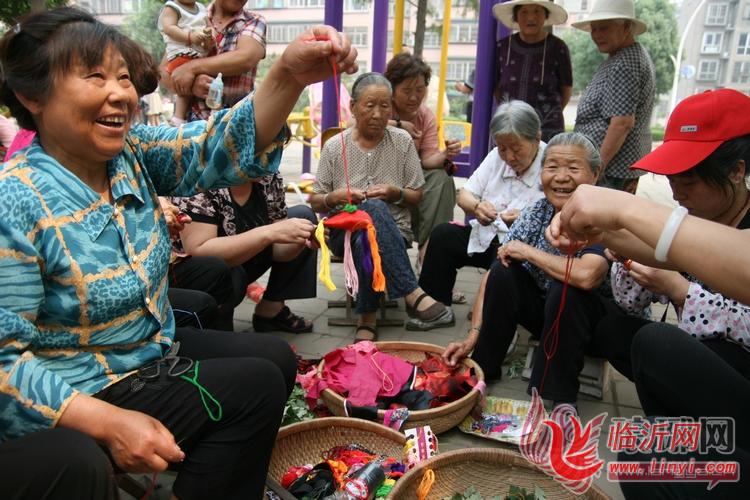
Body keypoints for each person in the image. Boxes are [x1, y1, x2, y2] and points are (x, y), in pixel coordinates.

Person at [0, 7, 357, 500]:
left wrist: (289, 75)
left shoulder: (129, 154)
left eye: (124, 77)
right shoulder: (15, 201)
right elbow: (5, 367)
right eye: (95, 77)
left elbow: (213, 144)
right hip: (78, 387)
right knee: (252, 388)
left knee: (274, 357)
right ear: (31, 95)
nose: (120, 94)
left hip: (144, 352)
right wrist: (108, 422)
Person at [549, 89, 750, 500]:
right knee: (643, 439)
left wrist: (679, 289)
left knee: (660, 346)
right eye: (671, 180)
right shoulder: (696, 220)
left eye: (688, 180)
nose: (677, 194)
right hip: (713, 370)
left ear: (736, 171)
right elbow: (647, 267)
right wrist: (602, 235)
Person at [443, 133, 611, 412]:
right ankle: (483, 370)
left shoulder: (604, 213)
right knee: (503, 271)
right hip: (549, 319)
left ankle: (561, 398)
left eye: (572, 168)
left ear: (595, 174)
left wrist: (529, 252)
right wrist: (472, 337)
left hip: (596, 326)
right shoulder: (538, 212)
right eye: (552, 167)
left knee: (566, 286)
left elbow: (587, 276)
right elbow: (496, 272)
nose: (561, 177)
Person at [311, 72, 454, 341]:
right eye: (370, 105)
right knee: (370, 213)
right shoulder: (334, 147)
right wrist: (336, 197)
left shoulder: (401, 141)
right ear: (353, 107)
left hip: (394, 230)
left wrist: (395, 192)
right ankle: (412, 293)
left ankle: (367, 319)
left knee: (370, 226)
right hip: (343, 232)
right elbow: (316, 200)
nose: (378, 114)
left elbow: (417, 195)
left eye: (385, 106)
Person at [417, 100, 545, 325]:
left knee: (507, 257)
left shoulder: (551, 161)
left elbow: (557, 211)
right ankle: (437, 310)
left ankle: (493, 317)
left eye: (516, 149)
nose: (509, 157)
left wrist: (526, 219)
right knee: (442, 236)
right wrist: (477, 207)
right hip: (487, 236)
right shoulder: (496, 157)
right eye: (503, 148)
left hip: (524, 250)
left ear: (536, 138)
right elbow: (465, 195)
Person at [172, 174, 318, 334]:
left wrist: (299, 241)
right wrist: (269, 233)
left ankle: (271, 310)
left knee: (303, 218)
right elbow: (199, 251)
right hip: (200, 275)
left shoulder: (268, 176)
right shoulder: (200, 178)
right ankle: (213, 331)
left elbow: (279, 251)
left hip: (246, 261)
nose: (269, 163)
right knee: (227, 272)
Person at [384, 52, 462, 267]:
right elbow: (356, 124)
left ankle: (429, 254)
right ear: (392, 89)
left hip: (409, 181)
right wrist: (398, 126)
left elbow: (427, 160)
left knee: (441, 178)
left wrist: (445, 155)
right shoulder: (382, 104)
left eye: (420, 90)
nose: (414, 97)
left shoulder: (425, 115)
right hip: (376, 178)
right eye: (407, 91)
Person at [572, 0, 655, 193]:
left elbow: (622, 123)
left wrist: (598, 167)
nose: (597, 35)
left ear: (626, 27)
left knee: (601, 213)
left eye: (604, 28)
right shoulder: (625, 56)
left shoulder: (625, 62)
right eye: (594, 29)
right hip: (613, 169)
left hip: (611, 171)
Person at [167, 0, 266, 122]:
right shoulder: (191, 17)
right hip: (191, 126)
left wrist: (191, 68)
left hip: (234, 124)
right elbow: (164, 71)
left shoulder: (254, 21)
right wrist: (191, 86)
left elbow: (245, 58)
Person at [493, 0, 572, 142]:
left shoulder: (558, 47)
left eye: (537, 11)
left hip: (548, 129)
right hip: (509, 127)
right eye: (524, 12)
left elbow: (566, 89)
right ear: (516, 16)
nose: (531, 17)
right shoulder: (502, 47)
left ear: (545, 15)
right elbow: (497, 87)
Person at [158, 0, 213, 125]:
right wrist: (189, 37)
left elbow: (208, 26)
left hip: (198, 53)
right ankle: (178, 118)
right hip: (180, 53)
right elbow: (169, 28)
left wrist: (209, 37)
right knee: (185, 85)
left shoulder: (201, 8)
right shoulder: (172, 7)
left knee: (204, 81)